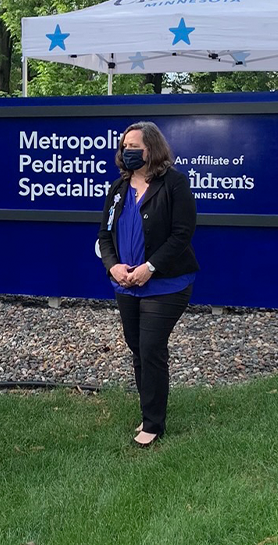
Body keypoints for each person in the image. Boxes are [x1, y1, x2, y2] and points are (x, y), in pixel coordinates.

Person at [97, 121, 199, 448]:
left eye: (134, 147)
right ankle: (149, 410)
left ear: (151, 149)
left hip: (166, 284)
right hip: (126, 285)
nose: (127, 152)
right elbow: (104, 235)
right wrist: (113, 267)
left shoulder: (174, 183)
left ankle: (153, 424)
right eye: (124, 146)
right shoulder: (118, 189)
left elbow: (182, 234)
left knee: (151, 347)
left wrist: (150, 267)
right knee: (138, 348)